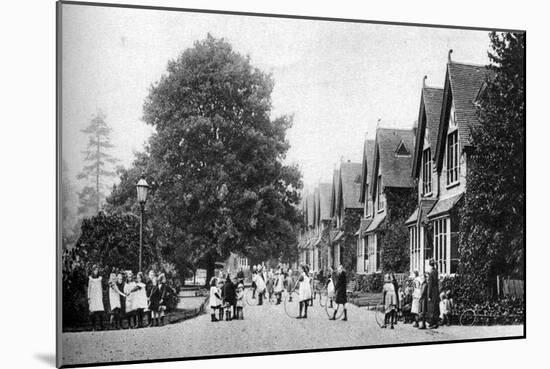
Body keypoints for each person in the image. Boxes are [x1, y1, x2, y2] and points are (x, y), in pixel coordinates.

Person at [87, 265, 105, 331]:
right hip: (93, 296)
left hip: (98, 296)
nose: (96, 272)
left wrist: (102, 296)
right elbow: (89, 288)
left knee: (100, 312)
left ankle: (101, 326)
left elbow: (101, 288)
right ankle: (93, 327)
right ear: (93, 271)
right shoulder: (90, 279)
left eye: (97, 270)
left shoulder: (100, 278)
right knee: (93, 312)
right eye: (95, 270)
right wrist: (89, 298)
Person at [427, 259, 440, 329]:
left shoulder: (431, 273)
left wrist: (429, 295)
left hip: (432, 291)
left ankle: (433, 323)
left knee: (432, 308)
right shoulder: (436, 271)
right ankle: (435, 322)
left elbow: (430, 284)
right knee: (435, 307)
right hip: (436, 290)